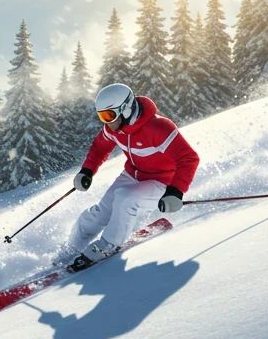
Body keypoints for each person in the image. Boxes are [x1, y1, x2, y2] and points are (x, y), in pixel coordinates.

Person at [68, 83, 199, 269]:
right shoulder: (114, 129)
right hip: (132, 175)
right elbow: (99, 148)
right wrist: (87, 171)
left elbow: (189, 158)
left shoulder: (159, 128)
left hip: (162, 182)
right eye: (101, 116)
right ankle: (71, 249)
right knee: (100, 214)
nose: (106, 122)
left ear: (126, 108)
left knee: (125, 199)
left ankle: (108, 245)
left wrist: (176, 192)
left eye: (109, 115)